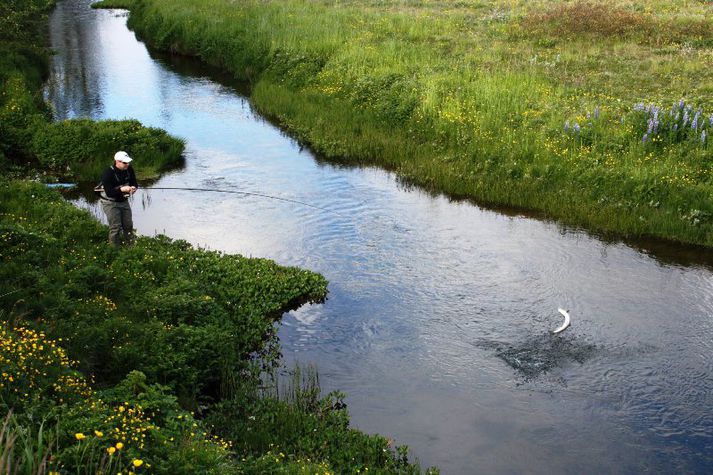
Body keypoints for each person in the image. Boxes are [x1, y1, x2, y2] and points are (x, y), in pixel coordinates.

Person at [100, 151, 138, 247]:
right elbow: (109, 193)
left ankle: (131, 247)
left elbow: (135, 183)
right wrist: (122, 189)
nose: (127, 164)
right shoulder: (108, 173)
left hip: (124, 201)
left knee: (128, 225)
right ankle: (114, 250)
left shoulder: (129, 169)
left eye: (128, 162)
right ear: (117, 161)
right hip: (110, 203)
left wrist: (133, 188)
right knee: (115, 227)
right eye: (125, 163)